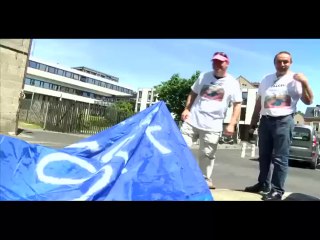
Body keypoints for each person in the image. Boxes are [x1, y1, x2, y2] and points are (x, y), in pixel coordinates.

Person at [245, 51, 314, 200]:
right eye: (279, 61)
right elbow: (259, 102)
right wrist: (253, 123)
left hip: (284, 121)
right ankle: (263, 183)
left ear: (290, 63)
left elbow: (309, 101)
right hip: (265, 121)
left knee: (280, 158)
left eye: (285, 62)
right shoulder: (266, 79)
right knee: (264, 156)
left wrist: (305, 83)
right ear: (274, 63)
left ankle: (277, 190)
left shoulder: (295, 79)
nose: (282, 64)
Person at [180, 52, 242, 189]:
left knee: (207, 154)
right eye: (214, 62)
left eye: (220, 62)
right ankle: (177, 175)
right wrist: (187, 109)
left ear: (227, 63)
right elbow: (193, 93)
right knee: (180, 146)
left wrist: (232, 124)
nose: (217, 64)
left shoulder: (232, 83)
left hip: (213, 125)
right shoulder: (204, 76)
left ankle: (205, 179)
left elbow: (237, 104)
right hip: (193, 120)